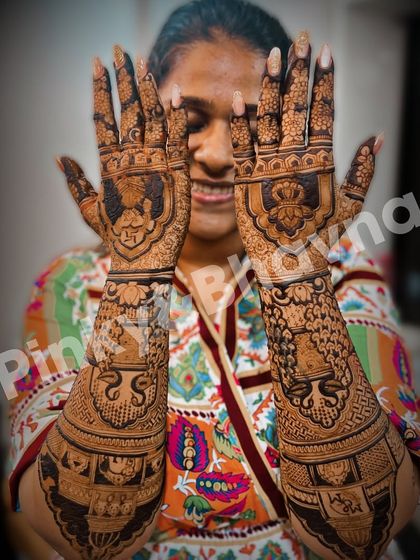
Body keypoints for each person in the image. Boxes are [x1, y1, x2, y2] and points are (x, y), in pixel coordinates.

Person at [7, 1, 420, 559]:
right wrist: (140, 271)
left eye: (249, 128)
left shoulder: (342, 275)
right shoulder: (72, 285)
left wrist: (293, 277)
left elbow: (360, 535)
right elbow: (88, 538)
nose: (219, 155)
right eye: (191, 122)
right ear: (147, 120)